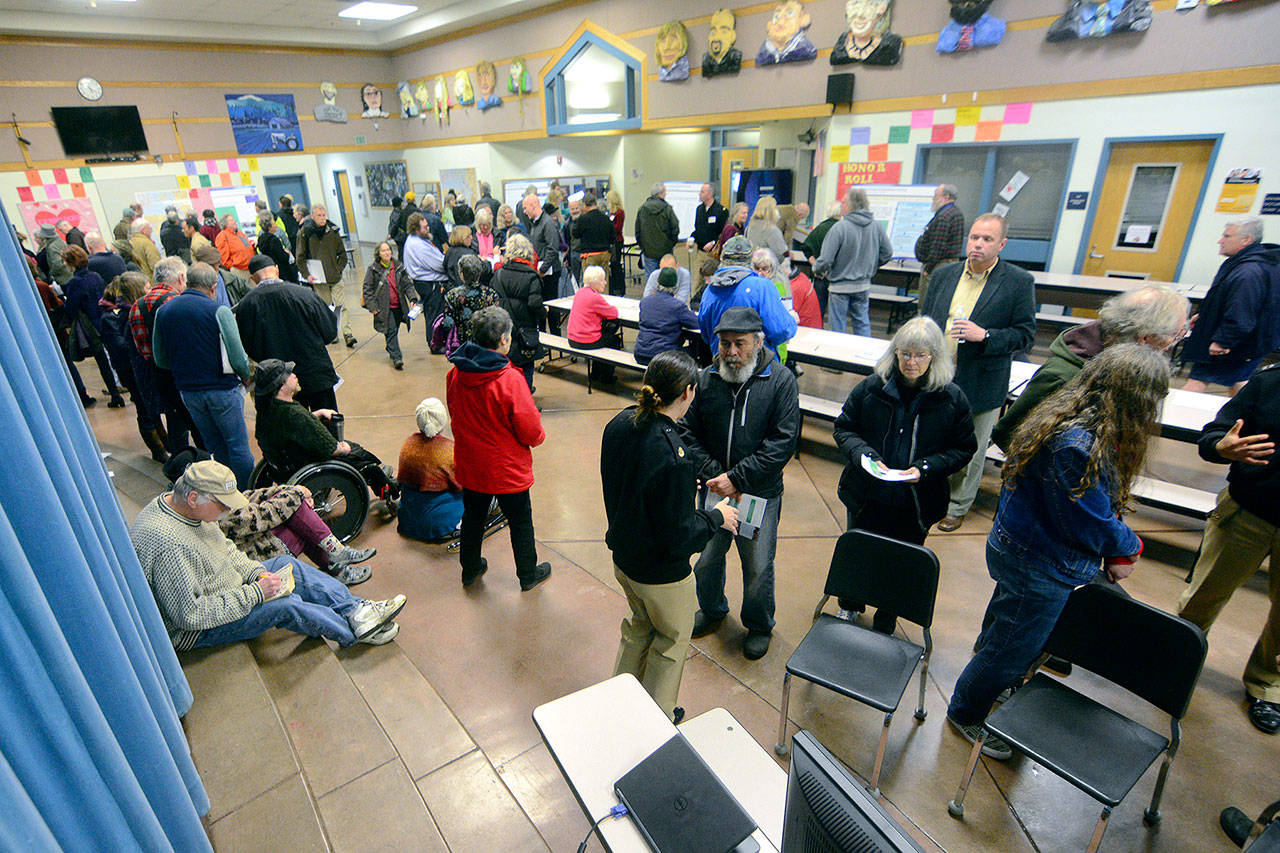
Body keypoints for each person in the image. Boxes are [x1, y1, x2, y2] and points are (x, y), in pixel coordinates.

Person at [945, 344, 1169, 759]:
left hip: (1023, 549)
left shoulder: (1070, 417)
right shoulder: (1077, 444)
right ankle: (966, 711)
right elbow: (1086, 520)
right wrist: (1129, 545)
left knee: (1006, 629)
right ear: (1138, 398)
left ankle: (995, 676)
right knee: (1011, 646)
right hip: (1039, 563)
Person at [130, 459, 405, 650]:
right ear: (193, 499)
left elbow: (225, 548)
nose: (228, 512)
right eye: (222, 505)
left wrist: (256, 573)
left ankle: (356, 610)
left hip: (224, 587)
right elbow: (190, 616)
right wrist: (256, 593)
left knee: (286, 564)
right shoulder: (168, 544)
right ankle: (353, 633)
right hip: (196, 629)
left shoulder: (185, 507)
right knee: (283, 606)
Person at [603, 351, 740, 722]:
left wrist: (679, 488)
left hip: (624, 558)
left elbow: (632, 484)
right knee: (670, 642)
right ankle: (657, 719)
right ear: (688, 392)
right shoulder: (673, 455)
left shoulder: (620, 423)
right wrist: (716, 517)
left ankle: (619, 699)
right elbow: (680, 537)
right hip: (661, 575)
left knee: (639, 627)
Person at [832, 317, 976, 632]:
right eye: (905, 354)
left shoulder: (951, 399)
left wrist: (925, 469)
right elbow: (845, 427)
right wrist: (865, 456)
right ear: (894, 353)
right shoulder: (872, 387)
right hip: (867, 495)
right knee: (861, 553)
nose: (911, 362)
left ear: (934, 357)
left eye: (920, 355)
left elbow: (964, 449)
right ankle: (851, 605)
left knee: (901, 562)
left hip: (916, 502)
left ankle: (888, 613)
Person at [680, 307, 800, 660]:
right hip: (715, 490)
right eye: (724, 344)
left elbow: (782, 444)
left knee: (758, 564)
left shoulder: (779, 381)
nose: (731, 352)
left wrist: (737, 479)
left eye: (740, 344)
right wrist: (716, 475)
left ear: (758, 343)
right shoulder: (706, 380)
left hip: (756, 493)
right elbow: (687, 432)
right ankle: (714, 608)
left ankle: (759, 624)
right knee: (707, 559)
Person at [1176, 352, 1280, 734]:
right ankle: (1174, 661)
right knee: (1204, 594)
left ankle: (1267, 687)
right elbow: (1212, 435)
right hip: (1248, 512)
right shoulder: (1269, 383)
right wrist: (1222, 447)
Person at [920, 213, 1036, 532]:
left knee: (969, 446)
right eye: (974, 238)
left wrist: (985, 335)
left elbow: (1026, 334)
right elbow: (926, 320)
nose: (978, 245)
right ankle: (927, 491)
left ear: (1002, 244)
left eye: (986, 239)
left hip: (982, 379)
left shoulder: (1017, 282)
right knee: (932, 438)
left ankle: (958, 505)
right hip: (938, 374)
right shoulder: (944, 275)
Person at [992, 285, 1190, 452]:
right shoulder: (1065, 376)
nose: (1174, 341)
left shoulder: (1131, 368)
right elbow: (1008, 434)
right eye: (1176, 333)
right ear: (1144, 338)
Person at [446, 306, 552, 591]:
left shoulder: (456, 373)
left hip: (472, 462)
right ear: (504, 339)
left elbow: (455, 412)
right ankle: (528, 574)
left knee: (473, 516)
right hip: (506, 468)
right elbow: (531, 432)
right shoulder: (510, 380)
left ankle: (470, 569)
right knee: (519, 520)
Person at [152, 262, 255, 487]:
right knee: (237, 446)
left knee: (215, 446)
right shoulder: (219, 311)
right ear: (214, 286)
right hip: (222, 389)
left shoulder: (164, 311)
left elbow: (160, 358)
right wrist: (247, 376)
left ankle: (224, 491)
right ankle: (247, 493)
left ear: (187, 281)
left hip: (188, 392)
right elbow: (237, 356)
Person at [252, 359, 400, 503]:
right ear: (281, 386)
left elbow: (289, 428)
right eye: (289, 373)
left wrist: (317, 413)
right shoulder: (295, 414)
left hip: (284, 466)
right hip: (307, 463)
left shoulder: (267, 410)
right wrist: (344, 448)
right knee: (360, 455)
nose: (294, 375)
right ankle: (388, 487)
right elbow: (333, 449)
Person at [1183, 218, 1279, 395]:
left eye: (1227, 236)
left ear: (1246, 240)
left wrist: (1223, 341)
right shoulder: (1255, 262)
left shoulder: (1249, 272)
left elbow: (1242, 312)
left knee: (1196, 382)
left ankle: (1172, 420)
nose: (1220, 240)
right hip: (1249, 342)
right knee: (1238, 381)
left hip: (1233, 342)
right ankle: (1240, 418)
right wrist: (1205, 316)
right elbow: (1227, 299)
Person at [234, 255, 341, 411]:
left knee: (293, 430)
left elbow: (247, 347)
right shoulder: (304, 294)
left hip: (279, 384)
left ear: (253, 278)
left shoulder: (246, 306)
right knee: (327, 425)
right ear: (277, 270)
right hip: (316, 374)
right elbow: (330, 332)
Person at [130, 256, 198, 454]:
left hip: (158, 374)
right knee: (197, 423)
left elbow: (142, 347)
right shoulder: (178, 303)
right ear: (181, 277)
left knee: (175, 421)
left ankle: (181, 464)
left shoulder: (137, 306)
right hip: (185, 372)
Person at [697, 235, 797, 357]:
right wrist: (791, 320)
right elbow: (780, 331)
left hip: (722, 365)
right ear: (750, 260)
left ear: (723, 258)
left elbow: (706, 334)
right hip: (757, 368)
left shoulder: (710, 290)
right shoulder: (763, 287)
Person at [813, 187, 893, 335]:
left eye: (843, 202)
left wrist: (817, 269)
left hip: (839, 287)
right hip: (863, 285)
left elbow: (825, 259)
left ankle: (837, 357)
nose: (841, 205)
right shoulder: (876, 226)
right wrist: (872, 265)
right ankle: (861, 357)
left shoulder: (839, 228)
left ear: (851, 205)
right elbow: (887, 253)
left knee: (837, 328)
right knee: (862, 324)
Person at [62, 245, 127, 409]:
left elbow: (71, 308)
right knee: (112, 356)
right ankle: (123, 389)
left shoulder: (74, 283)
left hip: (90, 326)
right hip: (104, 320)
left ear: (70, 263)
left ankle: (115, 393)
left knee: (102, 362)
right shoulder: (95, 276)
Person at [396, 398, 467, 542]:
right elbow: (463, 485)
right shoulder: (450, 450)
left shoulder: (407, 445)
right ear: (443, 420)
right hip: (438, 524)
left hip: (407, 521)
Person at [490, 233, 544, 390]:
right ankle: (524, 398)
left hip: (503, 328)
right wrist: (543, 312)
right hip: (525, 329)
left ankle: (507, 398)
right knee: (526, 365)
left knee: (505, 366)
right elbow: (534, 303)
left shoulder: (498, 274)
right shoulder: (532, 276)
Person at [295, 204, 354, 347]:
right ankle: (332, 334)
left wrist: (338, 269)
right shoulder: (305, 233)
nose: (322, 218)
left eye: (324, 215)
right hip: (319, 279)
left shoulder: (333, 232)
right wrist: (307, 275)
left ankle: (348, 334)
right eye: (319, 215)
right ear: (312, 217)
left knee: (341, 305)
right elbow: (300, 258)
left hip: (335, 276)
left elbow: (343, 255)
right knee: (327, 308)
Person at [361, 241, 416, 370]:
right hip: (385, 307)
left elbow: (407, 284)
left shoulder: (398, 266)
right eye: (383, 250)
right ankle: (397, 357)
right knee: (391, 330)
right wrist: (372, 307)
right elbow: (367, 288)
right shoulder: (373, 269)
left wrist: (412, 298)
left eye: (388, 250)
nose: (386, 253)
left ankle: (390, 348)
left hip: (399, 305)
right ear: (378, 254)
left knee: (394, 329)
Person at [567, 265, 622, 383]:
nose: (605, 283)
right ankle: (607, 377)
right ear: (594, 282)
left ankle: (595, 373)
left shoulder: (580, 293)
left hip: (572, 338)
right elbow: (614, 313)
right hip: (585, 341)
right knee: (615, 341)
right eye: (602, 280)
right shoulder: (595, 297)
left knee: (604, 336)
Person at [402, 212, 450, 346]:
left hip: (425, 282)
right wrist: (449, 263)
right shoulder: (418, 246)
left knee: (431, 314)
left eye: (427, 226)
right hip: (429, 284)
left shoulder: (416, 239)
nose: (427, 229)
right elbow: (438, 264)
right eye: (424, 227)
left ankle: (435, 341)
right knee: (434, 315)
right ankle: (435, 344)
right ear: (416, 229)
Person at [636, 267, 699, 365]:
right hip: (663, 357)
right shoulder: (677, 306)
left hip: (640, 354)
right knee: (694, 351)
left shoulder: (645, 302)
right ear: (675, 286)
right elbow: (696, 323)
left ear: (658, 283)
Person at [914, 184, 965, 304]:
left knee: (927, 301)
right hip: (948, 264)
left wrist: (929, 268)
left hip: (938, 265)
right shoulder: (956, 213)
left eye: (936, 195)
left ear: (946, 197)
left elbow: (937, 246)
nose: (933, 199)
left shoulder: (944, 216)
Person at [442, 254, 499, 353]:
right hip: (486, 347)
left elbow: (447, 324)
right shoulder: (491, 294)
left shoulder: (452, 295)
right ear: (480, 273)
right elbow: (496, 322)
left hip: (462, 347)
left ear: (462, 275)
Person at [522, 194, 563, 330]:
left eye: (525, 207)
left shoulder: (547, 222)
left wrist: (542, 270)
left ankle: (555, 338)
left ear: (533, 205)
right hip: (540, 272)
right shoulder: (535, 223)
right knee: (541, 307)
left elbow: (553, 249)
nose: (524, 211)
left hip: (549, 274)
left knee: (551, 309)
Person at [802, 200, 841, 317]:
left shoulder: (820, 228)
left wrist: (815, 265)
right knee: (837, 312)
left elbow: (806, 247)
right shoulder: (843, 228)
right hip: (838, 276)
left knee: (819, 308)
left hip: (820, 275)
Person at [635, 182, 680, 277]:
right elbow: (675, 228)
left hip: (648, 251)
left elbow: (638, 232)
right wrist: (671, 244)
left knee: (651, 279)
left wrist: (644, 247)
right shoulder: (667, 209)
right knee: (667, 278)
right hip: (665, 250)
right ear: (661, 193)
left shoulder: (642, 209)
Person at [689, 183, 728, 292]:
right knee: (696, 281)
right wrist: (691, 239)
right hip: (701, 252)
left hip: (714, 255)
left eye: (702, 192)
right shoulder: (699, 209)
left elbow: (724, 233)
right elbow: (698, 229)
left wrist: (714, 242)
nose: (700, 194)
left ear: (710, 194)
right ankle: (694, 304)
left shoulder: (721, 211)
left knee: (713, 283)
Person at [255, 211, 297, 282]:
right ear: (269, 227)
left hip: (271, 270)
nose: (276, 225)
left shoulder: (261, 239)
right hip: (282, 271)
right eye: (274, 224)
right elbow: (282, 257)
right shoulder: (274, 240)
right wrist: (286, 253)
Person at [443, 224, 480, 291]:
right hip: (467, 291)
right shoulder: (469, 253)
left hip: (452, 289)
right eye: (468, 236)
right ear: (461, 239)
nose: (471, 238)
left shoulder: (449, 251)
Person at [606, 189, 627, 296]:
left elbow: (618, 228)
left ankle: (619, 287)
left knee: (616, 265)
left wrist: (608, 226)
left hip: (617, 242)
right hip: (612, 242)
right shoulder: (611, 213)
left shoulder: (619, 213)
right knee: (613, 265)